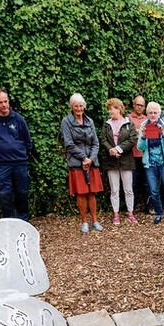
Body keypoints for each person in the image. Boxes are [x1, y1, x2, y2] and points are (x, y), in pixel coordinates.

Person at [0, 88, 36, 221]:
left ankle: (23, 219)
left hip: (20, 162)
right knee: (5, 194)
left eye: (6, 101)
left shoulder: (18, 119)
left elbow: (27, 141)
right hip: (3, 164)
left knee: (22, 192)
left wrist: (20, 152)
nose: (4, 105)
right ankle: (9, 220)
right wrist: (2, 152)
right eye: (0, 102)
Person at [61, 93, 103, 234]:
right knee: (81, 194)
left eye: (81, 106)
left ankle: (95, 221)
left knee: (92, 193)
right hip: (77, 163)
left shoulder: (90, 121)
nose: (79, 108)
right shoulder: (66, 121)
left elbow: (96, 143)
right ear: (71, 107)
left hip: (91, 162)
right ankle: (84, 221)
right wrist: (84, 158)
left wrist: (91, 159)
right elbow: (69, 144)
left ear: (84, 106)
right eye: (76, 106)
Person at [99, 98, 138, 226]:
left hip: (126, 160)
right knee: (114, 189)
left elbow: (132, 139)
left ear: (119, 109)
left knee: (128, 189)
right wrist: (110, 149)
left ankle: (130, 213)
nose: (110, 111)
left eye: (112, 109)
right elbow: (103, 138)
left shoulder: (129, 123)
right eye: (109, 109)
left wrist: (119, 148)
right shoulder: (107, 124)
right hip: (111, 161)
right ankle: (116, 214)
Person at [137, 101, 164, 225]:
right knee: (154, 190)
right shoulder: (143, 126)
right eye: (150, 112)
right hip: (150, 164)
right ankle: (159, 213)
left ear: (159, 113)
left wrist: (163, 134)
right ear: (147, 114)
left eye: (155, 112)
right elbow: (140, 148)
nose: (153, 115)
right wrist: (143, 136)